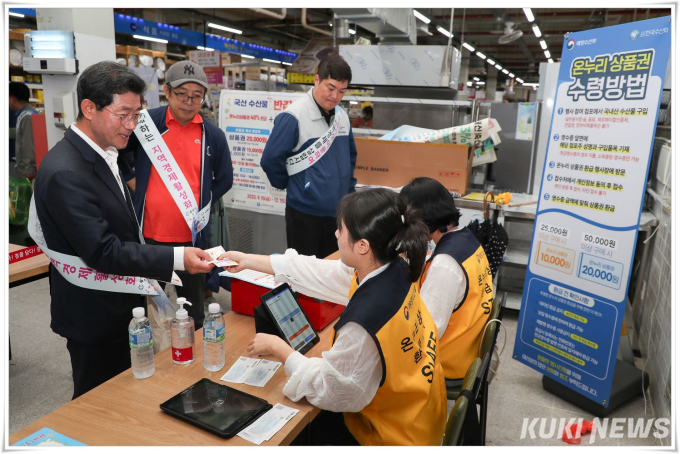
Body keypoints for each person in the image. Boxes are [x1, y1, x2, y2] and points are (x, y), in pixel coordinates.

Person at [33, 61, 214, 399]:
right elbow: (103, 250)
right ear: (89, 108)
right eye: (124, 115)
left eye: (137, 115)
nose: (132, 125)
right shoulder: (67, 171)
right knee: (95, 402)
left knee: (121, 394)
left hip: (117, 304)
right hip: (94, 312)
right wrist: (177, 257)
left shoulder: (102, 151)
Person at [219, 189, 446, 445]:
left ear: (363, 245)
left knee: (295, 430)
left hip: (394, 434)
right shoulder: (394, 268)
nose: (336, 234)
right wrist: (248, 260)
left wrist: (279, 348)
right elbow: (319, 272)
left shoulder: (364, 322)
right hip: (424, 409)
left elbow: (330, 390)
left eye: (341, 229)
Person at [120, 60, 233, 329]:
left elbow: (225, 179)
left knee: (192, 312)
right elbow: (119, 155)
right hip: (148, 236)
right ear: (167, 92)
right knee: (148, 308)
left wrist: (201, 202)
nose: (189, 102)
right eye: (182, 94)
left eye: (196, 96)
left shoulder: (212, 135)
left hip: (191, 240)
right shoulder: (146, 124)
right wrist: (137, 186)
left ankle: (191, 366)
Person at [261, 53, 357, 258]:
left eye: (342, 91)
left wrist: (349, 196)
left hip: (338, 215)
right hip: (304, 215)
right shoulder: (293, 116)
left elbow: (350, 158)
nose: (335, 96)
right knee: (303, 277)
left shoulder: (342, 117)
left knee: (331, 273)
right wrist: (295, 185)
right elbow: (270, 159)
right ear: (316, 80)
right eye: (330, 88)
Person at [400, 177, 494, 381]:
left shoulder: (445, 264)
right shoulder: (467, 239)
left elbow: (425, 330)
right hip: (467, 348)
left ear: (420, 217)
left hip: (447, 361)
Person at [9, 82, 37, 180]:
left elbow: (28, 145)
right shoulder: (26, 114)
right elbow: (19, 132)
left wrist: (29, 170)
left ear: (12, 100)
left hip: (27, 172)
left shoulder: (27, 117)